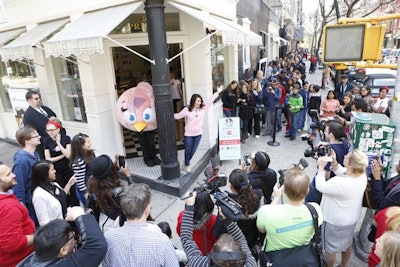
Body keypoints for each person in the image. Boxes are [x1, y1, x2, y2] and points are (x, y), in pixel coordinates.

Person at [102, 183, 179, 267]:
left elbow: (106, 264)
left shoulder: (108, 238)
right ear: (146, 209)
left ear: (123, 210)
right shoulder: (162, 242)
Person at [256, 168, 323, 260]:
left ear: (284, 189)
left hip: (275, 258)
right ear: (307, 190)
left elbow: (261, 229)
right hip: (303, 258)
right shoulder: (315, 209)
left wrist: (276, 197)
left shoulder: (266, 212)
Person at [316, 149, 368, 267]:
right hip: (351, 218)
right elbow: (344, 172)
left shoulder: (340, 182)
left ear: (351, 164)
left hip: (335, 221)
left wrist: (320, 169)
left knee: (330, 248)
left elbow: (320, 186)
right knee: (347, 244)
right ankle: (343, 265)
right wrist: (335, 164)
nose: (344, 156)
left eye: (347, 157)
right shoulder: (361, 176)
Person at [180, 191, 257, 267]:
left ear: (212, 254)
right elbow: (241, 239)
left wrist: (189, 207)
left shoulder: (201, 264)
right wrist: (228, 221)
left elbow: (186, 238)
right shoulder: (250, 264)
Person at [17, 206, 107, 267]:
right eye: (73, 236)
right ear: (63, 250)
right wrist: (79, 214)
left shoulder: (35, 259)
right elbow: (97, 246)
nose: (75, 239)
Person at [213, 169, 261, 260]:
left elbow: (217, 232)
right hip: (253, 244)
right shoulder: (258, 196)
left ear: (230, 185)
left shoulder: (227, 207)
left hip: (235, 249)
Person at [174, 85, 224, 173]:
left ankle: (185, 163)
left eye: (200, 101)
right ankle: (187, 164)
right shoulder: (187, 109)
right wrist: (167, 113)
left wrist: (217, 92)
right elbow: (178, 116)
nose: (199, 102)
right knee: (188, 150)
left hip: (198, 134)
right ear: (193, 101)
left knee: (193, 151)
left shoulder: (203, 108)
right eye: (198, 101)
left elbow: (210, 100)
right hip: (188, 135)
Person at [0, 161, 35, 267]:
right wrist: (39, 236)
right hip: (21, 261)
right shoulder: (8, 207)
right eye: (8, 174)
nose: (14, 175)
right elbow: (12, 244)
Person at [87, 154, 131, 232]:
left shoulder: (93, 184)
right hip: (114, 225)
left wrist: (114, 168)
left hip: (103, 220)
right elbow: (136, 198)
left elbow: (103, 175)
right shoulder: (116, 192)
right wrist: (128, 176)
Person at [44, 117, 79, 206]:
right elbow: (48, 159)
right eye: (48, 130)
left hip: (68, 168)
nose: (50, 132)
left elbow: (68, 156)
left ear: (58, 129)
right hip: (56, 171)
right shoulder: (47, 142)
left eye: (52, 130)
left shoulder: (66, 139)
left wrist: (58, 143)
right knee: (62, 191)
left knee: (74, 190)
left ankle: (76, 209)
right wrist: (62, 155)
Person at [31, 160, 76, 226]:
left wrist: (69, 184)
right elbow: (44, 222)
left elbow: (61, 196)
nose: (55, 171)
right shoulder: (39, 195)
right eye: (52, 170)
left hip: (66, 225)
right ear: (44, 174)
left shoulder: (54, 184)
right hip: (58, 230)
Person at [12, 126, 41, 226]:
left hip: (38, 199)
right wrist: (23, 210)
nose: (39, 137)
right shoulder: (22, 162)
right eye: (36, 136)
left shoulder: (35, 154)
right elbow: (18, 187)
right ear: (27, 140)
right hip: (31, 205)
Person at [177, 189, 217, 256]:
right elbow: (216, 240)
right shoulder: (213, 220)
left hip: (192, 250)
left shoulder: (182, 216)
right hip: (209, 252)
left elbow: (180, 232)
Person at [23, 90, 57, 159]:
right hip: (46, 146)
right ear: (29, 101)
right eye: (36, 99)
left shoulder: (46, 109)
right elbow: (32, 134)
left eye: (39, 98)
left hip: (58, 140)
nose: (39, 100)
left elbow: (57, 121)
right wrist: (48, 141)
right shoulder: (28, 116)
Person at [70, 133, 95, 207]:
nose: (90, 143)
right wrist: (88, 197)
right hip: (86, 191)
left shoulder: (90, 153)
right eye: (88, 142)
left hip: (92, 186)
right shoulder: (79, 161)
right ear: (81, 146)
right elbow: (80, 183)